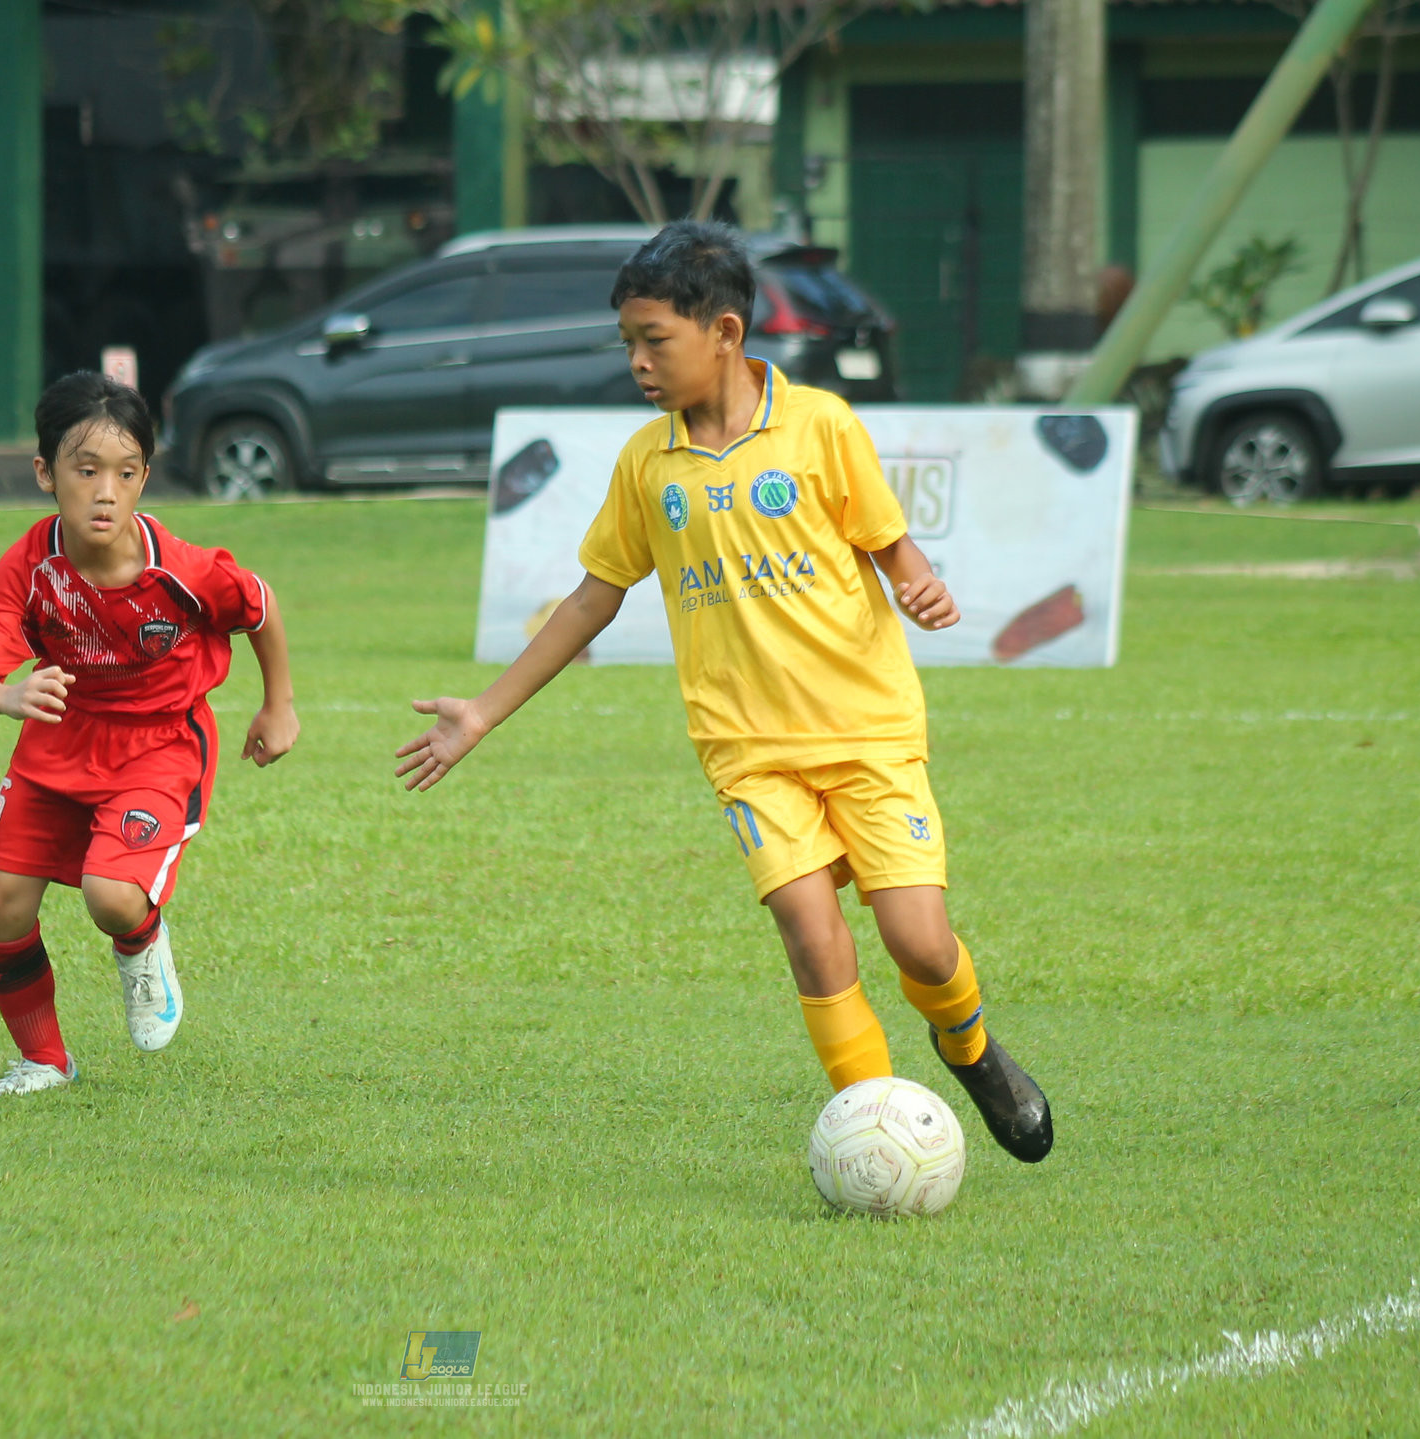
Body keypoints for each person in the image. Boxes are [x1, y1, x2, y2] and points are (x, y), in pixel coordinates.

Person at [394, 222, 1050, 1161]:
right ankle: (873, 1130)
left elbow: (886, 537)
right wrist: (482, 713)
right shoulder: (646, 464)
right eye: (627, 342)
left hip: (866, 730)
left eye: (654, 339)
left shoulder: (821, 424)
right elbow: (594, 597)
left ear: (727, 334)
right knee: (812, 937)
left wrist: (919, 579)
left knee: (921, 945)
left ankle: (972, 1049)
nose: (637, 362)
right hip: (746, 747)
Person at [0, 371, 299, 1097]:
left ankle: (142, 944)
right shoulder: (31, 564)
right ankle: (44, 1060)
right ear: (46, 473)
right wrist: (9, 694)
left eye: (126, 472)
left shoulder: (183, 570)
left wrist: (279, 705)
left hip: (160, 744)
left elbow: (258, 606)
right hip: (57, 743)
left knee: (111, 894)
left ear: (144, 479)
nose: (106, 490)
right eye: (86, 469)